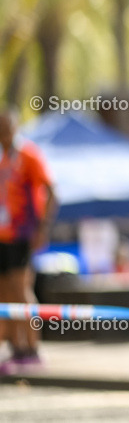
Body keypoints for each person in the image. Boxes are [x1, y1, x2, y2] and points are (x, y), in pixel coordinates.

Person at [0, 108, 58, 373]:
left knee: (21, 289)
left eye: (6, 127)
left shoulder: (28, 155)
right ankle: (16, 348)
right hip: (2, 235)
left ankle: (32, 347)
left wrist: (42, 228)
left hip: (22, 234)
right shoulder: (2, 159)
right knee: (5, 293)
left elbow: (51, 190)